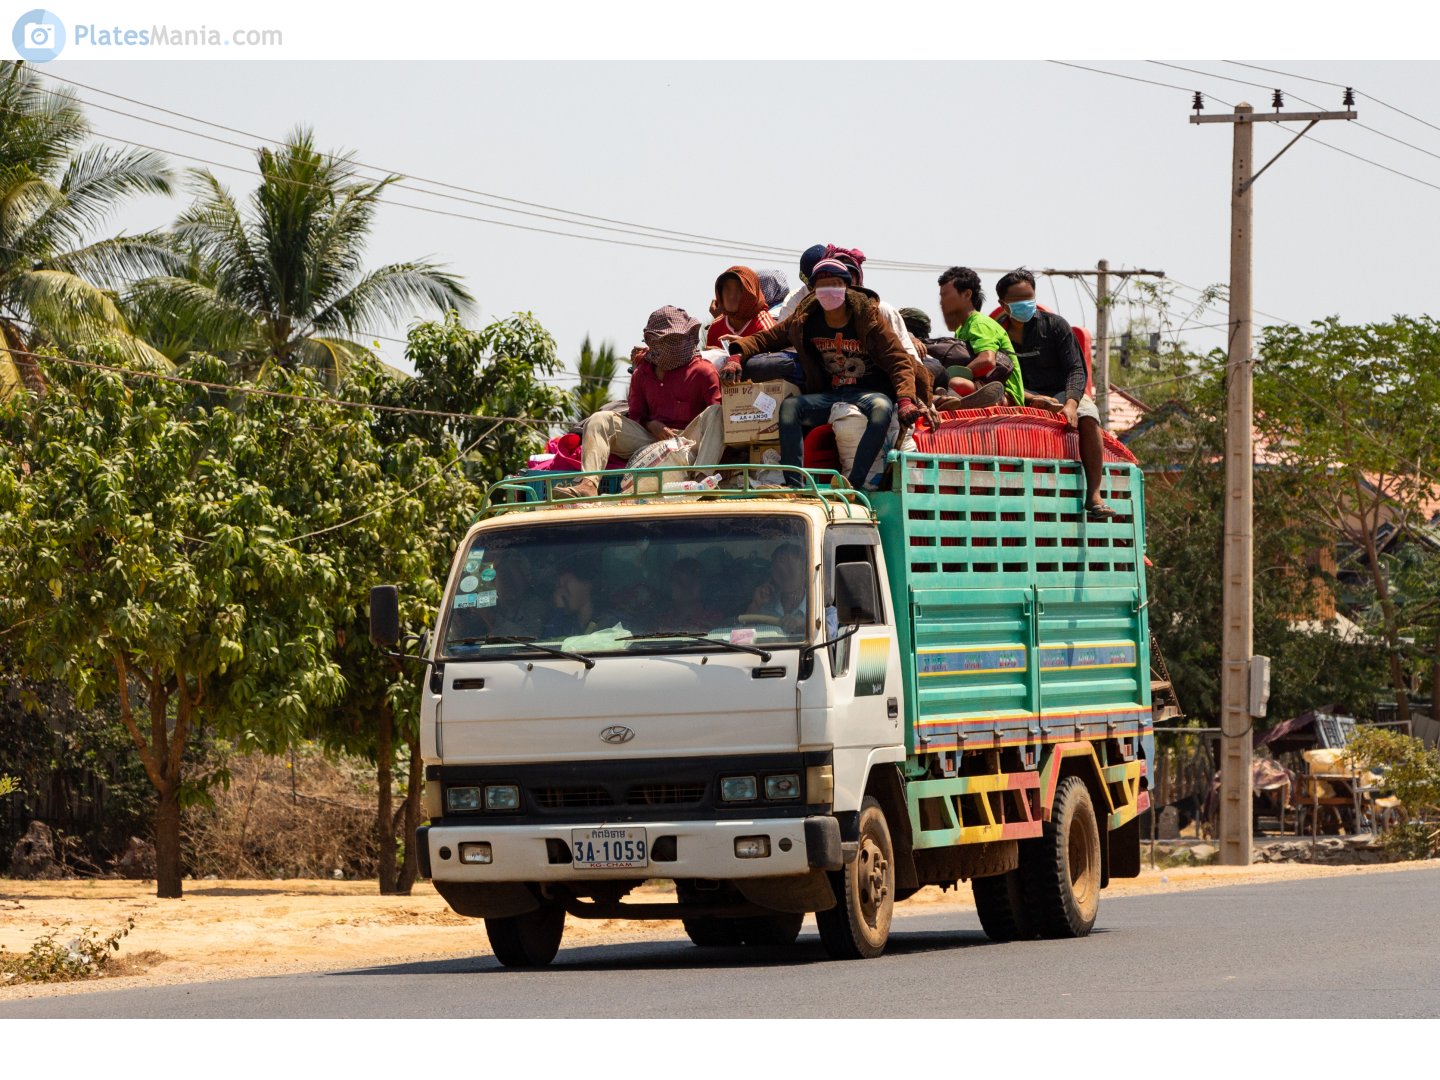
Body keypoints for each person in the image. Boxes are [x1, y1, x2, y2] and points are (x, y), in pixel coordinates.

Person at [722, 258, 919, 490]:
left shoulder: (867, 318)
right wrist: (736, 356)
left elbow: (898, 359)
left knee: (882, 408)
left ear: (846, 287)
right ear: (813, 289)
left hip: (868, 392)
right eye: (822, 285)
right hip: (831, 394)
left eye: (834, 283)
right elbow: (766, 339)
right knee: (790, 408)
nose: (828, 290)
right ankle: (795, 485)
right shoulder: (805, 319)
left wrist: (905, 399)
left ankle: (854, 485)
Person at [556, 306, 722, 498]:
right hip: (651, 439)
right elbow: (636, 416)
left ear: (685, 340)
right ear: (651, 341)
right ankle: (588, 484)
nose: (665, 346)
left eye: (673, 340)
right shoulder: (642, 373)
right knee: (599, 419)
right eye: (659, 340)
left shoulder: (703, 371)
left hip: (689, 439)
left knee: (717, 413)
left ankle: (703, 480)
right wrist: (652, 425)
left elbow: (714, 424)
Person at [994, 268, 1115, 518]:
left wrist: (1070, 404)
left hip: (1062, 391)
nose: (1025, 305)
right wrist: (1030, 398)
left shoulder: (1055, 326)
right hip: (1020, 394)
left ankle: (1094, 494)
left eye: (1029, 298)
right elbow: (997, 376)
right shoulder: (995, 332)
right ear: (1003, 304)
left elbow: (1076, 370)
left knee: (1089, 414)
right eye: (1017, 301)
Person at [937, 266, 1025, 407]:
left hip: (1004, 393)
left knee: (955, 383)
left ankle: (988, 399)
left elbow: (987, 361)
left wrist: (950, 377)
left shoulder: (979, 323)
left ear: (967, 294)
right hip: (979, 384)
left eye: (946, 295)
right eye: (941, 296)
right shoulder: (961, 329)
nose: (942, 301)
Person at [544, 561, 622, 638]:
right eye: (559, 586)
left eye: (566, 583)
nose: (561, 591)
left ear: (586, 584)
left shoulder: (613, 623)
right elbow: (549, 641)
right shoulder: (566, 623)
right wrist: (559, 611)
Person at [705, 266, 775, 349]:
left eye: (739, 290)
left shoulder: (763, 326)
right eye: (727, 289)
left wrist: (746, 345)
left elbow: (773, 355)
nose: (731, 296)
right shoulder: (715, 327)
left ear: (751, 294)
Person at [747, 543, 809, 635]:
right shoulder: (765, 608)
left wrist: (802, 625)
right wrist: (756, 604)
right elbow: (743, 636)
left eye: (789, 567)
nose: (784, 574)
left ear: (804, 572)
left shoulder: (820, 609)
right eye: (778, 569)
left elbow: (827, 635)